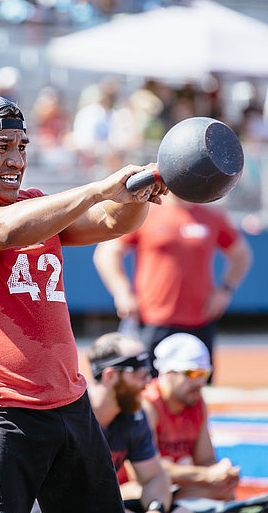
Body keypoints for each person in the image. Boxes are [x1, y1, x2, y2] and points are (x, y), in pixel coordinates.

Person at [0, 94, 168, 513]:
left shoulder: (33, 204)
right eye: (1, 147)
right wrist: (99, 188)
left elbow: (109, 221)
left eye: (22, 146)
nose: (16, 159)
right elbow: (3, 229)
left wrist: (140, 194)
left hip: (70, 405)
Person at [93, 192, 252, 373]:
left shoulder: (212, 217)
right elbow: (107, 253)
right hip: (152, 318)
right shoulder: (146, 213)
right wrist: (122, 292)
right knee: (146, 384)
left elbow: (241, 255)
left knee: (196, 386)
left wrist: (225, 289)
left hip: (199, 319)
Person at [142, 333, 240, 504]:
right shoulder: (148, 405)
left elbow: (206, 460)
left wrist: (222, 473)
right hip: (140, 489)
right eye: (192, 374)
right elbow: (147, 470)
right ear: (167, 372)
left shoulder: (195, 403)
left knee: (224, 492)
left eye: (205, 374)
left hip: (172, 490)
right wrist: (207, 476)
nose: (200, 382)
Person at [86, 332, 172, 513]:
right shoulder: (70, 416)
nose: (148, 381)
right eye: (140, 374)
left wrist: (156, 509)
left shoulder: (133, 416)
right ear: (110, 376)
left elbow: (154, 477)